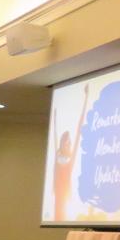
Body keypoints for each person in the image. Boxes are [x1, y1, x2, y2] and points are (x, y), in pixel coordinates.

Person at [52, 84, 89, 221]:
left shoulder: (71, 159)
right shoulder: (57, 156)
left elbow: (79, 128)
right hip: (58, 200)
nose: (67, 144)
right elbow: (55, 134)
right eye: (65, 142)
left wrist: (86, 98)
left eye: (69, 142)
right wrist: (54, 119)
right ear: (61, 143)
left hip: (66, 198)